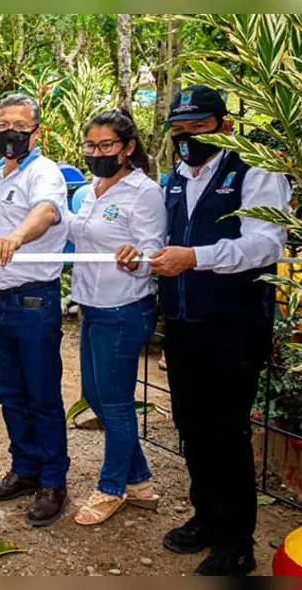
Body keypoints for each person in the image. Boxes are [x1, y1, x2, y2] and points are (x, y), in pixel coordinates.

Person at [122, 85, 290, 575]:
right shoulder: (176, 178)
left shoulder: (255, 171)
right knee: (192, 427)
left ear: (224, 126)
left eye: (198, 127)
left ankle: (237, 542)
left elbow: (264, 245)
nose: (188, 138)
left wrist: (196, 258)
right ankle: (206, 518)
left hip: (233, 324)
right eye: (179, 129)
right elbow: (165, 242)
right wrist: (142, 254)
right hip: (183, 323)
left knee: (227, 431)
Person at [0, 94, 69, 526]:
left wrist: (17, 237)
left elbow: (46, 213)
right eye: (2, 123)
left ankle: (53, 481)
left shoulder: (45, 173)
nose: (9, 131)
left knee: (42, 394)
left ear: (36, 131)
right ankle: (25, 468)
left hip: (32, 300)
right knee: (9, 393)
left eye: (19, 124)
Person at [66, 109, 166, 526]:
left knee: (117, 403)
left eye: (106, 145)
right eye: (91, 145)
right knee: (96, 393)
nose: (97, 152)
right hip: (92, 305)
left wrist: (135, 259)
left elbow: (153, 252)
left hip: (124, 309)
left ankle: (111, 488)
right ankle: (140, 480)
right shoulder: (95, 186)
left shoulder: (144, 193)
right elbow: (82, 234)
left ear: (128, 148)